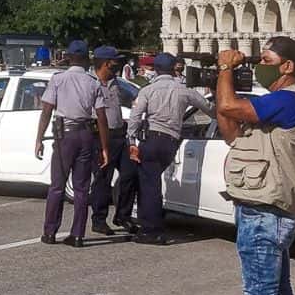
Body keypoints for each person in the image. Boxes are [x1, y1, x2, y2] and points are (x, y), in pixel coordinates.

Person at [214, 39, 295, 295]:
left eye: (266, 60)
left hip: (264, 214)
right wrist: (223, 82)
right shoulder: (275, 103)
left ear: (287, 66)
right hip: (266, 209)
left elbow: (229, 106)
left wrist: (225, 68)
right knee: (277, 294)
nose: (260, 66)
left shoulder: (288, 99)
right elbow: (230, 130)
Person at [125, 51, 213, 245]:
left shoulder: (148, 90)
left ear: (156, 70)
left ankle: (151, 230)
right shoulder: (184, 90)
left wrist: (131, 141)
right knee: (153, 182)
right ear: (174, 68)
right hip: (172, 141)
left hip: (152, 139)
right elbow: (209, 107)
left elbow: (135, 117)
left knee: (149, 186)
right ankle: (152, 226)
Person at [34, 40, 111, 248]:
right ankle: (77, 234)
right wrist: (105, 147)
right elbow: (101, 117)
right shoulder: (93, 82)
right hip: (85, 134)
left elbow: (47, 110)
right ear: (86, 59)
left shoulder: (58, 79)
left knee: (57, 186)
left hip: (64, 135)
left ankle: (50, 232)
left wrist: (39, 138)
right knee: (81, 188)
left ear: (68, 58)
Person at [88, 46, 138, 235]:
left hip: (120, 134)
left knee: (130, 173)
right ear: (106, 63)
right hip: (100, 136)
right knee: (103, 179)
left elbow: (133, 98)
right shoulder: (89, 83)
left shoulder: (116, 82)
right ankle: (99, 220)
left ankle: (123, 216)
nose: (118, 64)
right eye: (115, 61)